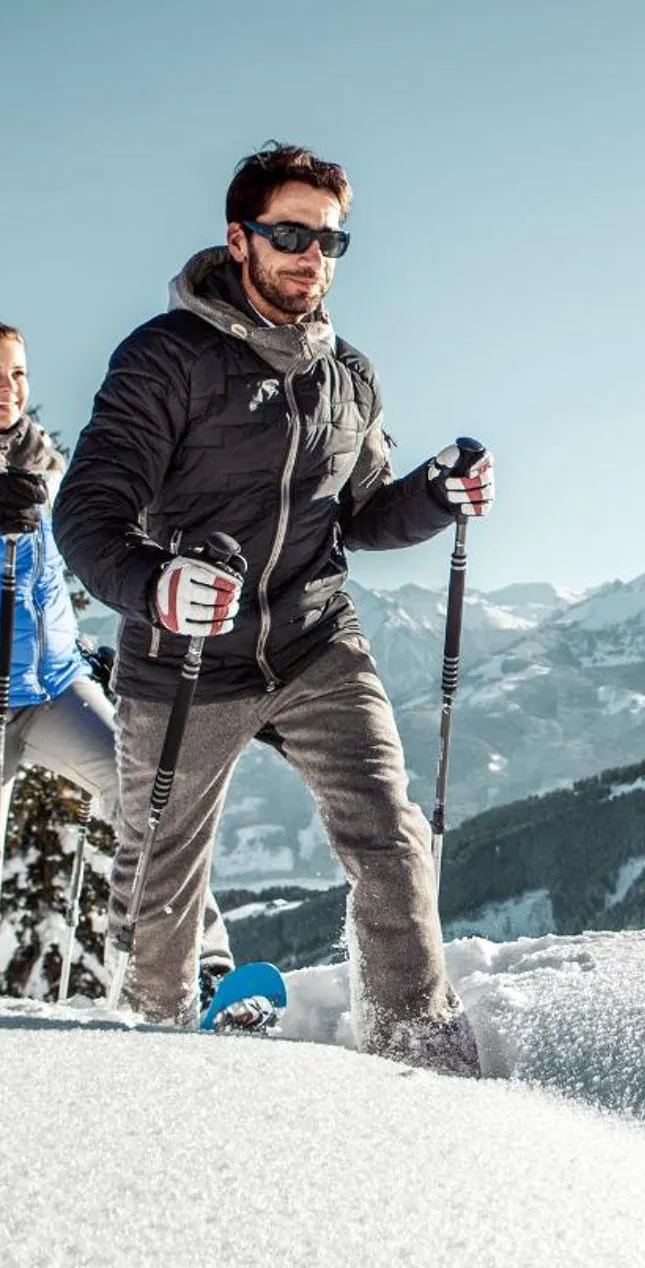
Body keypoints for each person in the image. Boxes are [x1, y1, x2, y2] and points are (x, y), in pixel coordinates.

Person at [53, 143, 493, 1071]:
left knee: (390, 835)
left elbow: (362, 514)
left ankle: (422, 1050)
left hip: (313, 639)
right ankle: (156, 1049)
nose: (312, 256)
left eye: (331, 240)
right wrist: (156, 582)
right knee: (160, 880)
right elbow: (87, 511)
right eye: (291, 234)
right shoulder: (165, 358)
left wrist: (434, 495)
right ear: (238, 239)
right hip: (184, 657)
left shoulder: (348, 376)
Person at [0, 321, 233, 997]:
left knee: (148, 805)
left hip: (54, 689)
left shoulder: (42, 463)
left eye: (18, 373)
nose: (9, 387)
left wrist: (77, 649)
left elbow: (49, 578)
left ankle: (205, 967)